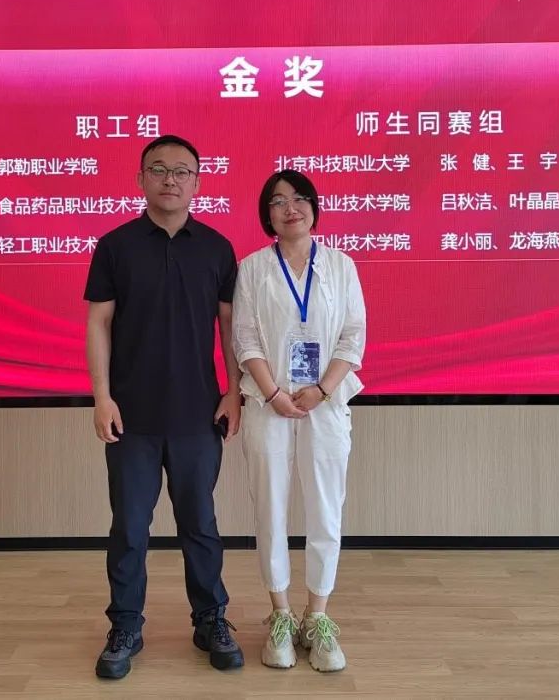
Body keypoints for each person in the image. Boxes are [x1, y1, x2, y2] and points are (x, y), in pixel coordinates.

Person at [84, 134, 245, 679]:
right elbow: (99, 323)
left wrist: (234, 390)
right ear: (140, 179)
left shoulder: (217, 248)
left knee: (199, 523)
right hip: (131, 415)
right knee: (130, 527)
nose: (170, 179)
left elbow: (229, 328)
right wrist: (102, 396)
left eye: (182, 171)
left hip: (198, 413)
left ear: (197, 183)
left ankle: (210, 619)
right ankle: (126, 625)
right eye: (158, 169)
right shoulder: (115, 245)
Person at [232, 170, 366, 672]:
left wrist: (322, 389)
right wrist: (273, 392)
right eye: (278, 201)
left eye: (300, 198)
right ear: (266, 214)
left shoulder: (341, 265)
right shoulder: (252, 268)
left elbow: (353, 335)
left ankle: (318, 615)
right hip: (268, 402)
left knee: (326, 507)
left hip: (324, 404)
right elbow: (245, 338)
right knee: (270, 507)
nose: (291, 208)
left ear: (314, 207)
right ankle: (281, 614)